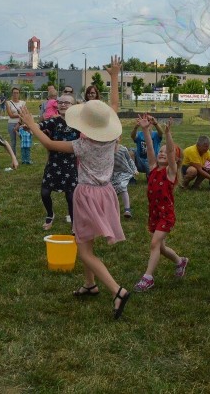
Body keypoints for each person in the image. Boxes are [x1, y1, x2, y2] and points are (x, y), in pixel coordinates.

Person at [19, 99, 131, 320]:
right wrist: (116, 77)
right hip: (106, 193)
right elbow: (114, 108)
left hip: (87, 195)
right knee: (86, 238)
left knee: (84, 251)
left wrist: (32, 124)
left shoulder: (83, 145)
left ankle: (117, 290)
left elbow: (51, 145)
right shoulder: (111, 138)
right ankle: (90, 285)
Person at [133, 115, 189, 292]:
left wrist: (168, 134)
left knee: (154, 244)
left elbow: (172, 153)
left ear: (176, 160)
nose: (163, 152)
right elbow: (150, 147)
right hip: (154, 213)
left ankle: (147, 277)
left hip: (166, 215)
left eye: (167, 151)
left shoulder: (170, 172)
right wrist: (145, 129)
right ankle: (180, 261)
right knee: (161, 247)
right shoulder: (153, 168)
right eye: (161, 151)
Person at [37, 94, 80, 230]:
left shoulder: (78, 124)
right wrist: (31, 127)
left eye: (67, 103)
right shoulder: (54, 121)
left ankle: (74, 223)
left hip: (70, 165)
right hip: (54, 163)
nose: (63, 105)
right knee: (45, 192)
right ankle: (50, 214)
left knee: (71, 196)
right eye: (60, 102)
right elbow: (40, 125)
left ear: (74, 106)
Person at [112, 137, 138, 218]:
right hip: (113, 174)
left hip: (125, 172)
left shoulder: (123, 149)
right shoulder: (107, 150)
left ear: (119, 139)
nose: (114, 144)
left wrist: (135, 169)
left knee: (122, 187)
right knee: (112, 190)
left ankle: (127, 209)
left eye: (116, 141)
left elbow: (129, 160)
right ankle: (112, 210)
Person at [4, 87, 24, 157]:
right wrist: (20, 115)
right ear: (12, 94)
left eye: (17, 93)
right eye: (14, 93)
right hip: (11, 124)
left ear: (19, 94)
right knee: (13, 142)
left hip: (21, 124)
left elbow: (25, 114)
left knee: (24, 140)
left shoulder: (23, 103)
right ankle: (14, 157)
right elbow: (10, 115)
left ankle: (25, 157)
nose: (15, 94)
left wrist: (19, 123)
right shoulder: (8, 103)